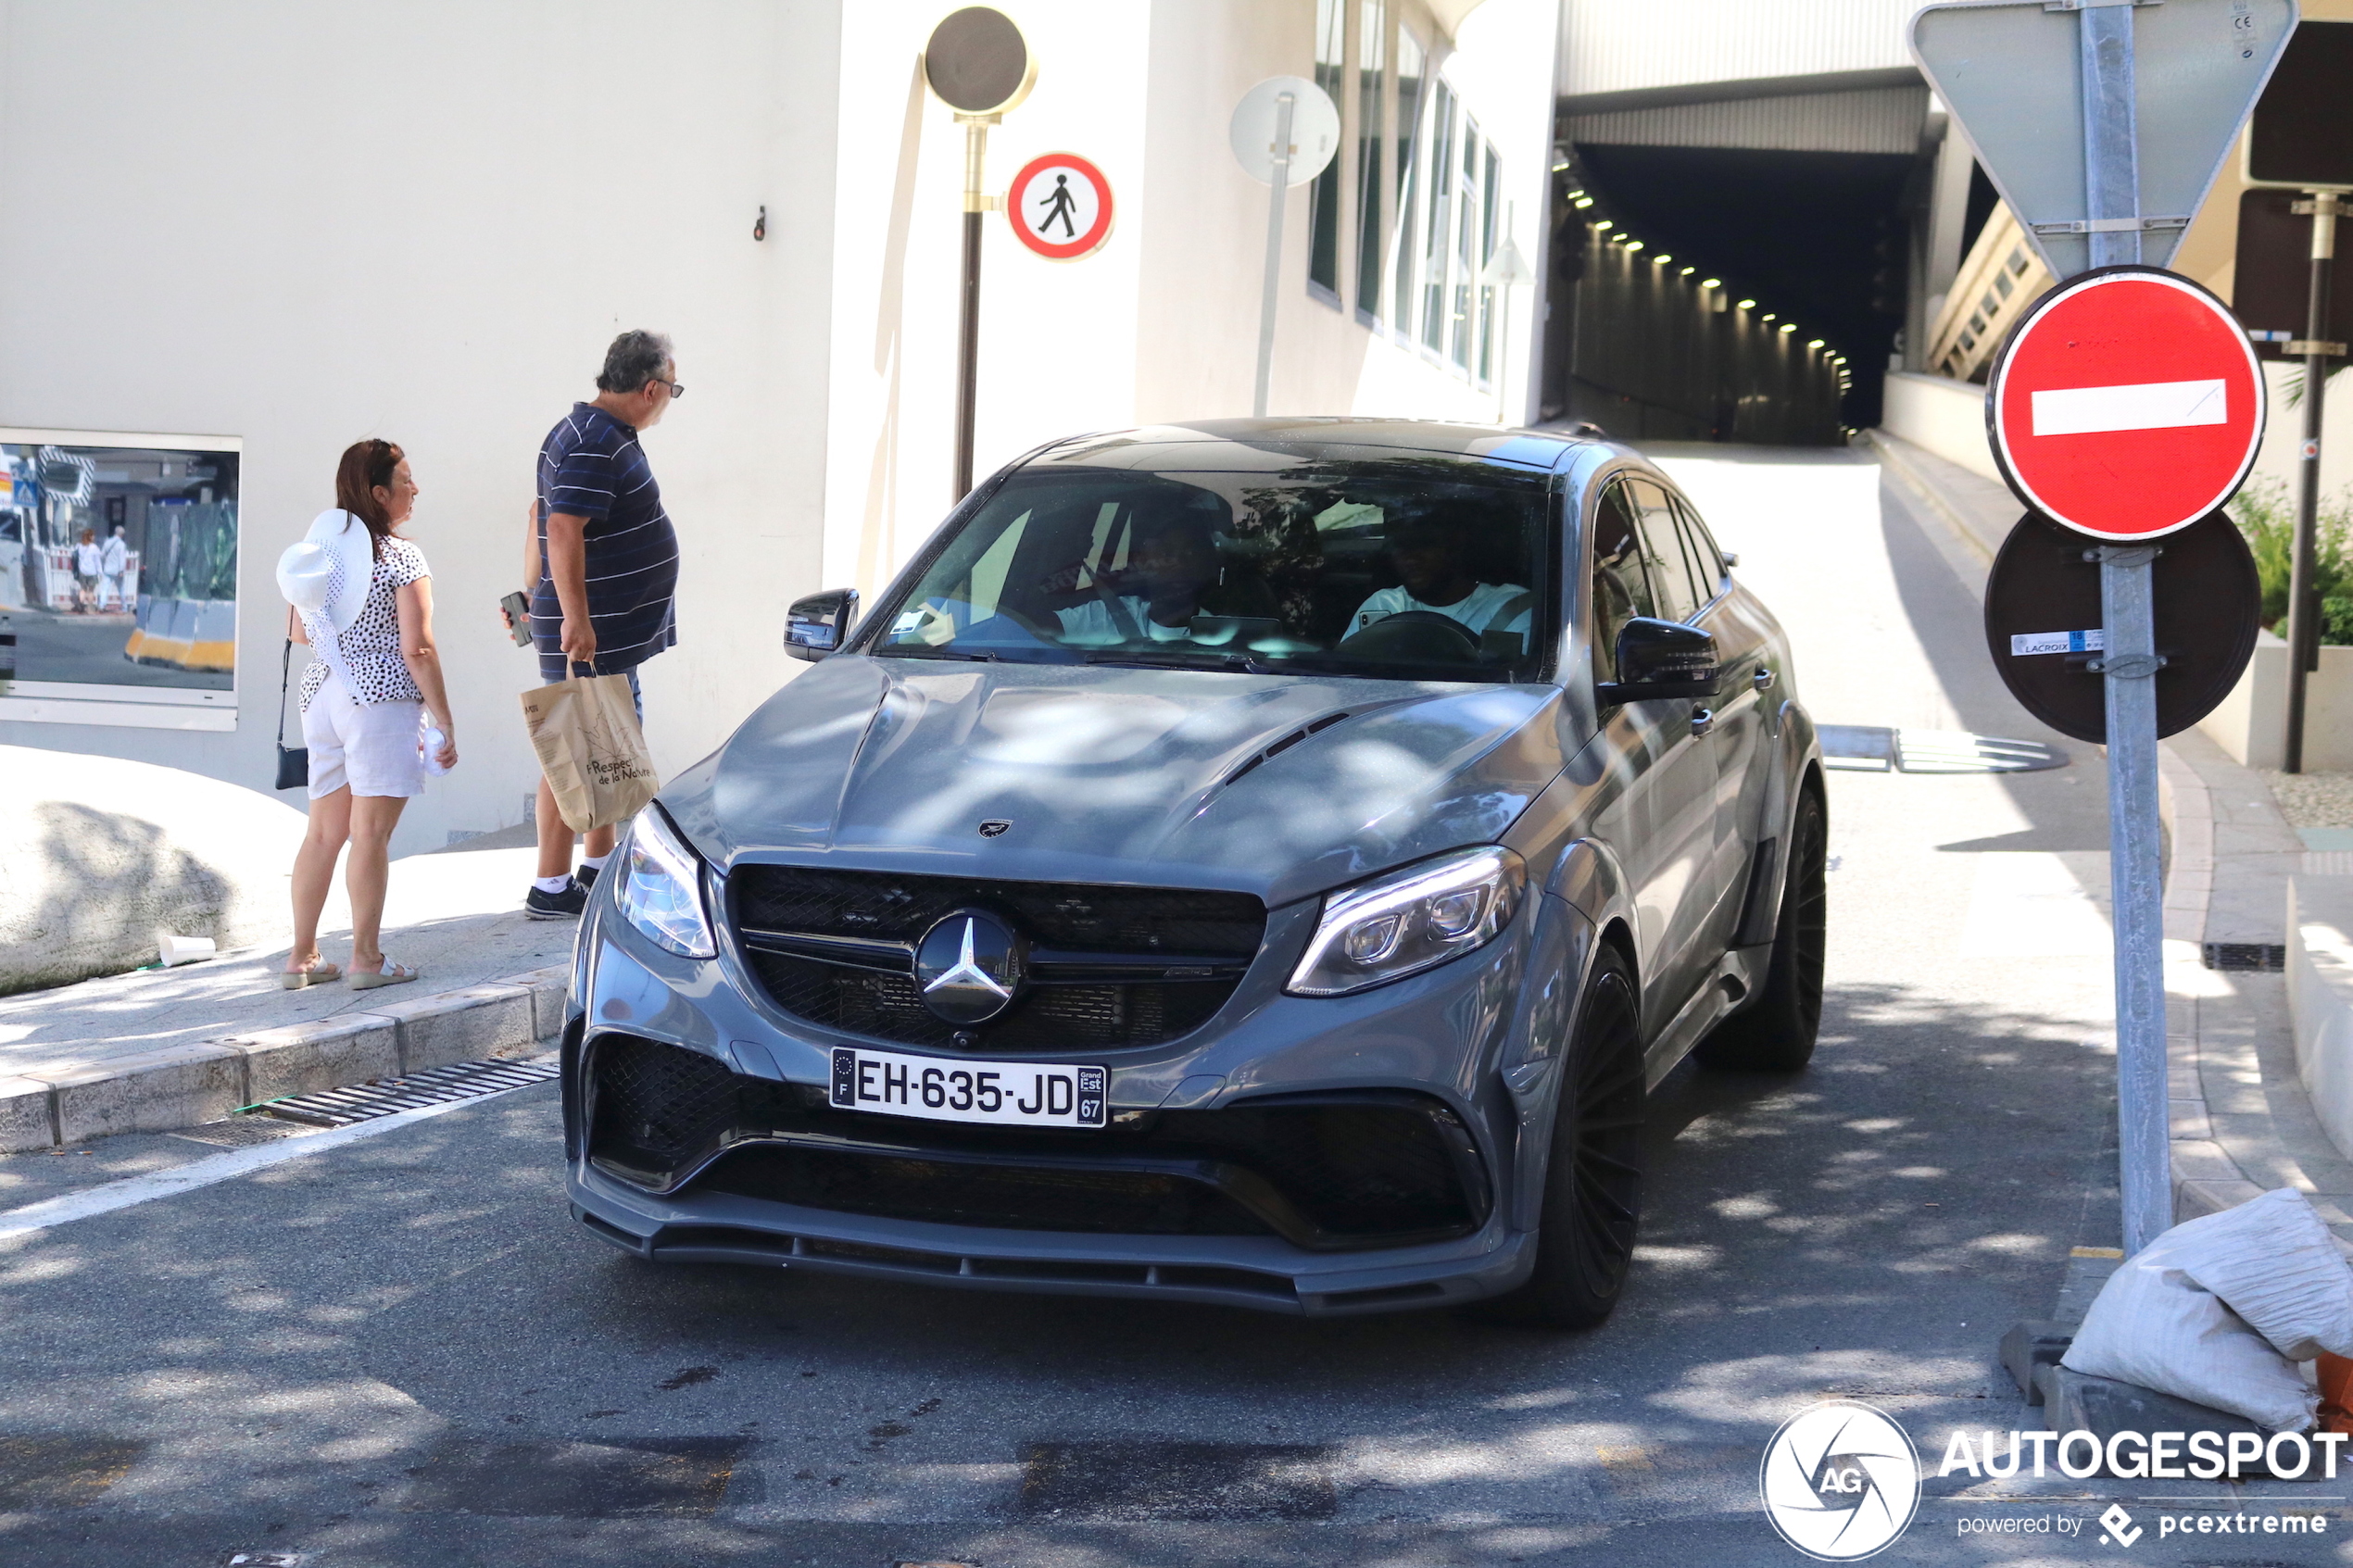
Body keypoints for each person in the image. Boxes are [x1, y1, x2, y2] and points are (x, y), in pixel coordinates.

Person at [508, 330, 681, 919]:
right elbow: (560, 528)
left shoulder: (601, 434)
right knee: (574, 750)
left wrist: (531, 598)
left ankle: (596, 870)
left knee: (604, 750)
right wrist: (574, 621)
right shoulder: (591, 442)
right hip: (589, 632)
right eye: (672, 390)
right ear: (651, 387)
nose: (669, 400)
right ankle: (550, 886)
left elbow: (541, 515)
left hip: (606, 630)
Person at [279, 440, 459, 990]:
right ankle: (366, 959)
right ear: (379, 493)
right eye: (406, 480)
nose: (415, 488)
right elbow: (418, 648)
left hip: (324, 697)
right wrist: (444, 720)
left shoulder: (317, 552)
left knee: (322, 835)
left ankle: (302, 957)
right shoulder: (402, 557)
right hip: (379, 701)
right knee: (370, 836)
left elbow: (298, 632)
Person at [1346, 505, 1533, 641]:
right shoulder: (1383, 607)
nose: (1410, 557)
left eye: (1424, 543)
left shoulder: (1511, 609)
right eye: (1400, 545)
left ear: (1455, 545)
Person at [99, 523, 129, 611]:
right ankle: (124, 607)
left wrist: (105, 562)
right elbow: (122, 559)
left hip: (108, 568)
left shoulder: (107, 541)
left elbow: (102, 555)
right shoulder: (121, 544)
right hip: (117, 570)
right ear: (122, 535)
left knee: (105, 588)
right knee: (121, 589)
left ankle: (102, 605)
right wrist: (121, 570)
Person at [72, 529, 100, 612]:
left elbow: (73, 556)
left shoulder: (78, 546)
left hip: (82, 571)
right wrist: (100, 571)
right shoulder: (94, 547)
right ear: (90, 537)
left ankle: (80, 605)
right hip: (92, 571)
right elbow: (97, 561)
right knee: (91, 591)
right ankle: (90, 608)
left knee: (83, 589)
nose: (94, 537)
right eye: (93, 535)